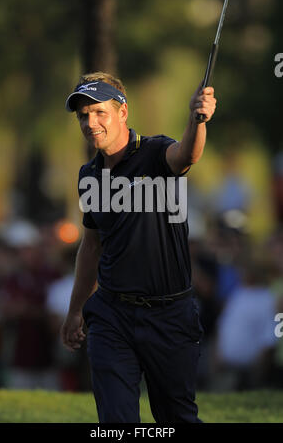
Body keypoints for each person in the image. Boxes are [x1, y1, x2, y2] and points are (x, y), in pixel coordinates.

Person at [61, 72, 217, 423]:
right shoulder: (89, 174)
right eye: (83, 115)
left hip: (170, 314)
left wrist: (199, 119)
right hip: (111, 315)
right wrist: (75, 310)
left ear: (122, 113)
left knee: (176, 418)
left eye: (99, 112)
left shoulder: (157, 152)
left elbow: (188, 154)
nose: (90, 122)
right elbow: (91, 246)